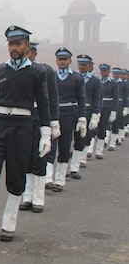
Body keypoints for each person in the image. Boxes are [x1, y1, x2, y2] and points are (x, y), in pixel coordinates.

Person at [0, 26, 50, 243]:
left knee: (16, 175)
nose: (14, 48)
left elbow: (43, 103)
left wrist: (47, 132)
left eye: (18, 44)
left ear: (27, 46)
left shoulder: (37, 72)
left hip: (22, 127)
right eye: (11, 44)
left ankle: (8, 224)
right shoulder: (2, 70)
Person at [19, 41, 59, 213]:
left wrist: (53, 121)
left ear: (34, 53)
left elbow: (53, 97)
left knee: (40, 156)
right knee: (25, 158)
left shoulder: (45, 71)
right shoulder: (18, 71)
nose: (28, 55)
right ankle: (27, 196)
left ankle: (38, 198)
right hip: (24, 117)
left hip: (40, 115)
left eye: (30, 52)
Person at [47, 48, 86, 192]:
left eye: (65, 59)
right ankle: (48, 178)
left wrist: (82, 117)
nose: (62, 62)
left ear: (70, 61)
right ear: (56, 60)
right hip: (53, 113)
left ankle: (59, 180)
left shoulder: (76, 77)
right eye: (60, 59)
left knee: (64, 146)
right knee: (49, 145)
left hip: (69, 113)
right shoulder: (51, 76)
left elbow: (81, 98)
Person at [68, 54, 101, 180]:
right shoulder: (73, 77)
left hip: (87, 111)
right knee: (66, 139)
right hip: (72, 110)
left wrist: (95, 114)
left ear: (89, 66)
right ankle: (66, 166)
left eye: (84, 65)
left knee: (81, 139)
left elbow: (97, 99)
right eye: (80, 64)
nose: (81, 67)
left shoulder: (95, 81)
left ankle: (74, 167)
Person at [92, 63, 119, 159]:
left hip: (107, 107)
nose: (103, 72)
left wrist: (114, 111)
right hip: (97, 106)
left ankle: (99, 151)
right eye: (102, 70)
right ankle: (90, 150)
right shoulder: (97, 81)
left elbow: (116, 98)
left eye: (105, 70)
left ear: (108, 71)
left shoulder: (113, 83)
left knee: (102, 128)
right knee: (92, 129)